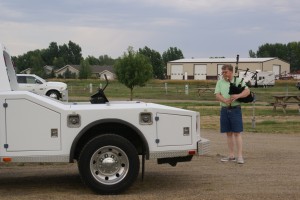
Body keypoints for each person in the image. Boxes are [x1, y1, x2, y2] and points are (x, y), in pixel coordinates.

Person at [214, 64, 250, 164]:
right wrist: (225, 101)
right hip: (224, 109)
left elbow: (247, 91)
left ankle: (240, 156)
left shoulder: (238, 81)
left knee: (237, 133)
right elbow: (217, 95)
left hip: (235, 110)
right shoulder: (220, 82)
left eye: (225, 72)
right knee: (228, 133)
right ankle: (231, 155)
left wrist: (238, 96)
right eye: (222, 72)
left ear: (231, 72)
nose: (223, 74)